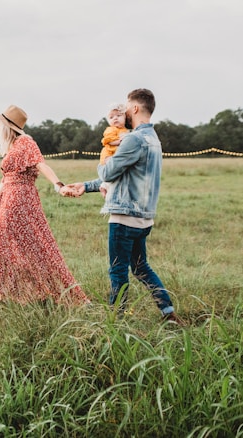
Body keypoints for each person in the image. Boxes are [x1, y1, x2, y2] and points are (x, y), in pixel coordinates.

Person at [66, 89, 184, 325]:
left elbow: (109, 171)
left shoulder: (133, 139)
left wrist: (105, 161)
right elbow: (125, 177)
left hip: (124, 217)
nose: (125, 112)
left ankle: (115, 321)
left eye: (127, 108)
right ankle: (168, 313)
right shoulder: (153, 140)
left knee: (118, 271)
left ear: (136, 109)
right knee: (141, 268)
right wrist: (86, 186)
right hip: (144, 218)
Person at [0, 104, 90, 305]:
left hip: (20, 201)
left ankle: (35, 293)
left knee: (34, 247)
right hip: (9, 201)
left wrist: (58, 186)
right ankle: (14, 295)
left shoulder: (25, 141)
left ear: (8, 126)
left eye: (0, 124)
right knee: (11, 248)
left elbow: (41, 164)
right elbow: (4, 181)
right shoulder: (12, 147)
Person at [99, 103, 129, 198]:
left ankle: (104, 186)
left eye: (118, 116)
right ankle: (105, 186)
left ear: (125, 117)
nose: (115, 118)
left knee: (117, 173)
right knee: (113, 170)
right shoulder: (111, 129)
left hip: (116, 154)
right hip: (109, 154)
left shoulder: (125, 130)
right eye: (111, 117)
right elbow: (109, 141)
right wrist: (120, 141)